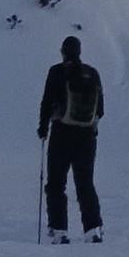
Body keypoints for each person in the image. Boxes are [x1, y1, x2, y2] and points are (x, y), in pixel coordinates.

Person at [38, 34, 105, 241]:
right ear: (79, 52)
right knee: (85, 183)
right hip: (86, 137)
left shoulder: (57, 72)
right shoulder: (92, 73)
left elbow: (47, 102)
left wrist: (43, 128)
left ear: (63, 51)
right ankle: (93, 229)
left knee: (56, 183)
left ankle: (59, 231)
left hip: (62, 133)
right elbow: (100, 110)